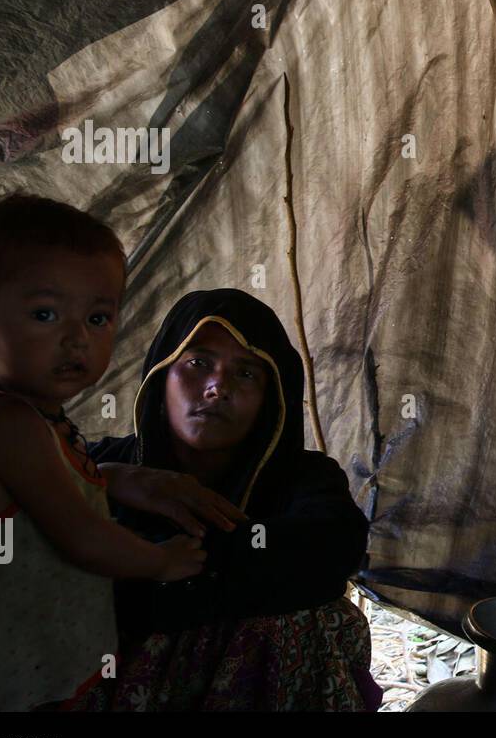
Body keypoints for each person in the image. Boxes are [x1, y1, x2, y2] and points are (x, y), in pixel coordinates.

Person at [0, 193, 205, 711]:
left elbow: (41, 491)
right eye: (45, 314)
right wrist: (162, 561)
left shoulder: (30, 416)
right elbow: (84, 539)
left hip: (27, 673)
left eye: (97, 318)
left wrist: (109, 476)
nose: (76, 340)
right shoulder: (4, 423)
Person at [78, 288, 379, 711]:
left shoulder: (299, 478)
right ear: (161, 373)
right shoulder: (98, 464)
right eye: (198, 363)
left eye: (246, 373)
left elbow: (332, 548)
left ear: (271, 395)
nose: (218, 387)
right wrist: (104, 481)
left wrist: (150, 572)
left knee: (308, 619)